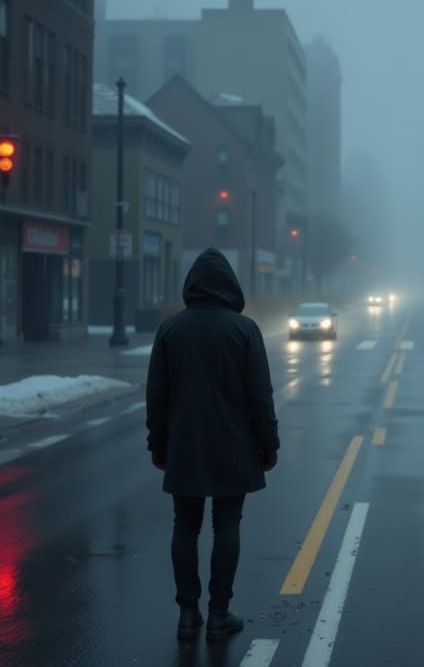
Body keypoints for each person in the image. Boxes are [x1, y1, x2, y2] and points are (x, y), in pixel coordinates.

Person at [146, 248, 279, 642]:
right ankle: (219, 613)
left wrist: (159, 446)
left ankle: (188, 612)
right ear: (230, 287)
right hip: (234, 447)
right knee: (227, 526)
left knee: (185, 527)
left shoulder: (170, 330)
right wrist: (268, 446)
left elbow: (156, 395)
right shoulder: (244, 330)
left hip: (184, 446)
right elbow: (260, 396)